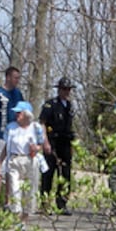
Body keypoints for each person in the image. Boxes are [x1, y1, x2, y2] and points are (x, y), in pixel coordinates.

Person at [0, 101, 47, 221]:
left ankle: (23, 223)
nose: (17, 115)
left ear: (27, 114)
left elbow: (40, 144)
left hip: (30, 161)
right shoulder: (11, 128)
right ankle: (16, 219)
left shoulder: (36, 128)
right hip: (14, 161)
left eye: (19, 113)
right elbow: (6, 147)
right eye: (16, 113)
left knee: (29, 192)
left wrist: (36, 148)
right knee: (15, 190)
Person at [0, 66, 24, 212]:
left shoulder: (18, 94)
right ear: (8, 77)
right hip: (1, 135)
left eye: (18, 78)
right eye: (15, 77)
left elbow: (21, 114)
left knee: (10, 171)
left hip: (13, 138)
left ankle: (7, 202)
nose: (17, 81)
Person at [39, 77, 77, 214]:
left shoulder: (70, 106)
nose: (67, 92)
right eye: (64, 89)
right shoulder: (51, 105)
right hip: (52, 142)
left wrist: (72, 146)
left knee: (65, 174)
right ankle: (45, 203)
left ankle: (62, 204)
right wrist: (45, 142)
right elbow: (42, 123)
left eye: (69, 89)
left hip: (65, 143)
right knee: (48, 174)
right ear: (59, 90)